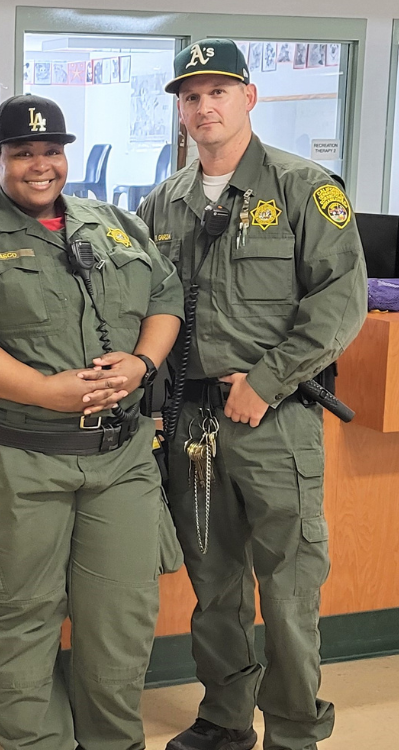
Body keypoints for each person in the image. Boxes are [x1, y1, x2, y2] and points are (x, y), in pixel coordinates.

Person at [0, 94, 183, 750]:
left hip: (120, 462)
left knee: (120, 629)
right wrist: (46, 391)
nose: (40, 166)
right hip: (17, 460)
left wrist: (143, 364)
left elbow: (165, 296)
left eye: (50, 151)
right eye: (22, 153)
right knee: (19, 628)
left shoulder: (116, 224)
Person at [137, 39, 367, 750]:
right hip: (191, 421)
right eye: (191, 96)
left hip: (273, 425)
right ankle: (226, 720)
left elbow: (341, 300)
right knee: (215, 591)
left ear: (248, 98)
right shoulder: (161, 202)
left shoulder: (305, 187)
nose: (204, 107)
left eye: (218, 92)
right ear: (180, 111)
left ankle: (296, 730)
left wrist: (267, 382)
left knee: (290, 593)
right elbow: (146, 305)